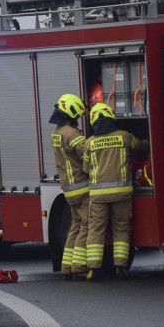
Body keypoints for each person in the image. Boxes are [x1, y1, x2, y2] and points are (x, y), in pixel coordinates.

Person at [82, 103, 149, 280]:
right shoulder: (125, 137)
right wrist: (148, 141)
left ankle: (94, 270)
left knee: (96, 230)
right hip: (122, 194)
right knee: (121, 229)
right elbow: (140, 146)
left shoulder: (89, 143)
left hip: (98, 196)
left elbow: (85, 169)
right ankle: (121, 267)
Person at [49, 94, 90, 279]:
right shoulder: (72, 134)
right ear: (69, 114)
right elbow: (87, 155)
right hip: (81, 186)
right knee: (87, 225)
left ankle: (66, 267)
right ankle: (78, 267)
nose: (77, 119)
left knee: (75, 226)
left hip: (68, 188)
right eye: (76, 116)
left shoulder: (57, 133)